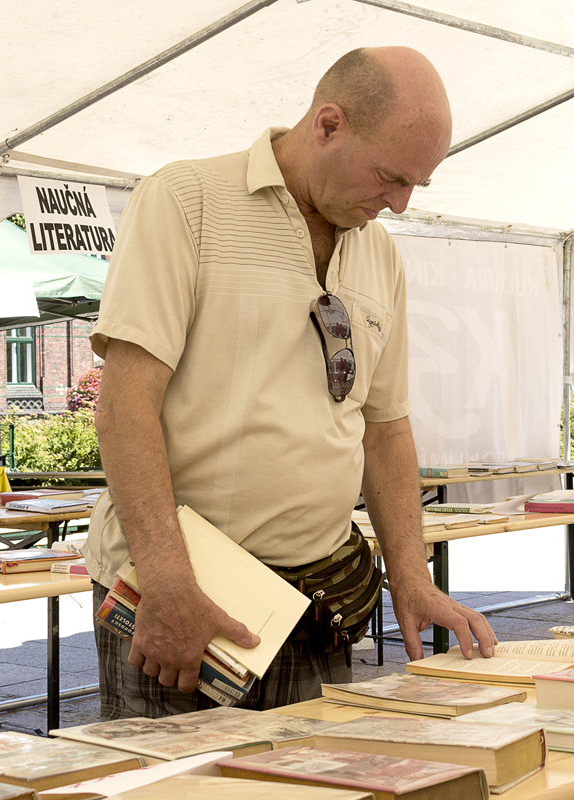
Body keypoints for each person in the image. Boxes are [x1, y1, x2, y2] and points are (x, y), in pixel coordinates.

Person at [84, 46, 497, 718]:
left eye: (417, 185)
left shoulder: (379, 252)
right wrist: (165, 579)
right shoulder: (186, 200)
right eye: (391, 177)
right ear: (327, 125)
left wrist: (412, 581)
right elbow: (125, 406)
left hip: (318, 603)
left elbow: (385, 430)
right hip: (188, 592)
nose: (399, 203)